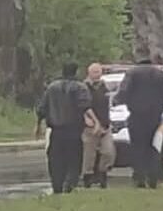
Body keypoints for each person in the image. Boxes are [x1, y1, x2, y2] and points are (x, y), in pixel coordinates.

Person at [115, 55, 163, 189]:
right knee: (154, 147)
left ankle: (139, 177)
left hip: (136, 116)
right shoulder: (160, 74)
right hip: (155, 116)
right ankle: (153, 177)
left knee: (138, 147)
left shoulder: (132, 73)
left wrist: (118, 101)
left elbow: (123, 91)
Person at [35, 63, 96, 194]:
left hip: (56, 131)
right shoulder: (80, 87)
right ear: (76, 72)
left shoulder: (52, 87)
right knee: (74, 160)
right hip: (73, 130)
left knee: (56, 160)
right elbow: (85, 106)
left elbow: (42, 108)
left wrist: (38, 126)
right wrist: (94, 121)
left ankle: (57, 186)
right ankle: (69, 184)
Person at [82, 63, 116, 188]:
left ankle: (102, 174)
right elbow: (81, 106)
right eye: (94, 72)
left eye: (99, 72)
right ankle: (88, 178)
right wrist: (86, 119)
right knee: (89, 154)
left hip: (105, 125)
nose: (97, 74)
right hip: (89, 126)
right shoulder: (84, 87)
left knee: (108, 152)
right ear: (89, 73)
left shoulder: (104, 87)